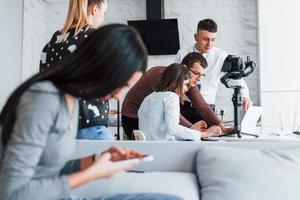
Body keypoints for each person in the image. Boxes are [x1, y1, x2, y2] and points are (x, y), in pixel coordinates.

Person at [0, 24, 182, 200]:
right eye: (121, 85)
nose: (118, 97)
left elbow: (47, 169)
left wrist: (96, 160)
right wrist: (92, 174)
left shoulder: (71, 100)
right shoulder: (43, 99)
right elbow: (13, 194)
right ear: (103, 67)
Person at [40, 0, 114, 140]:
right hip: (90, 125)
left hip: (58, 127)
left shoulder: (53, 42)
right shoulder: (95, 38)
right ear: (95, 9)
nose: (103, 18)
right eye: (104, 13)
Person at [122, 52, 231, 140]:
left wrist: (222, 126)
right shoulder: (163, 80)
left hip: (149, 133)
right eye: (196, 73)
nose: (198, 79)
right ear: (184, 67)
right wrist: (197, 131)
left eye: (201, 75)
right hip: (131, 117)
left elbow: (202, 105)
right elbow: (172, 121)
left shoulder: (183, 80)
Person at [175, 18, 252, 123]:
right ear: (196, 37)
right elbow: (174, 78)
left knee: (209, 138)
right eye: (205, 39)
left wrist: (245, 96)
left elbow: (236, 77)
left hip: (207, 109)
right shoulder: (182, 53)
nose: (209, 44)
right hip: (184, 107)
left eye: (213, 40)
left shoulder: (221, 56)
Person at [138, 64, 222, 141]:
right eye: (185, 84)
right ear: (175, 82)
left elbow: (160, 131)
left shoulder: (149, 98)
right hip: (164, 149)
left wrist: (191, 130)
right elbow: (172, 129)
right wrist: (204, 134)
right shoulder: (171, 97)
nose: (186, 89)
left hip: (150, 147)